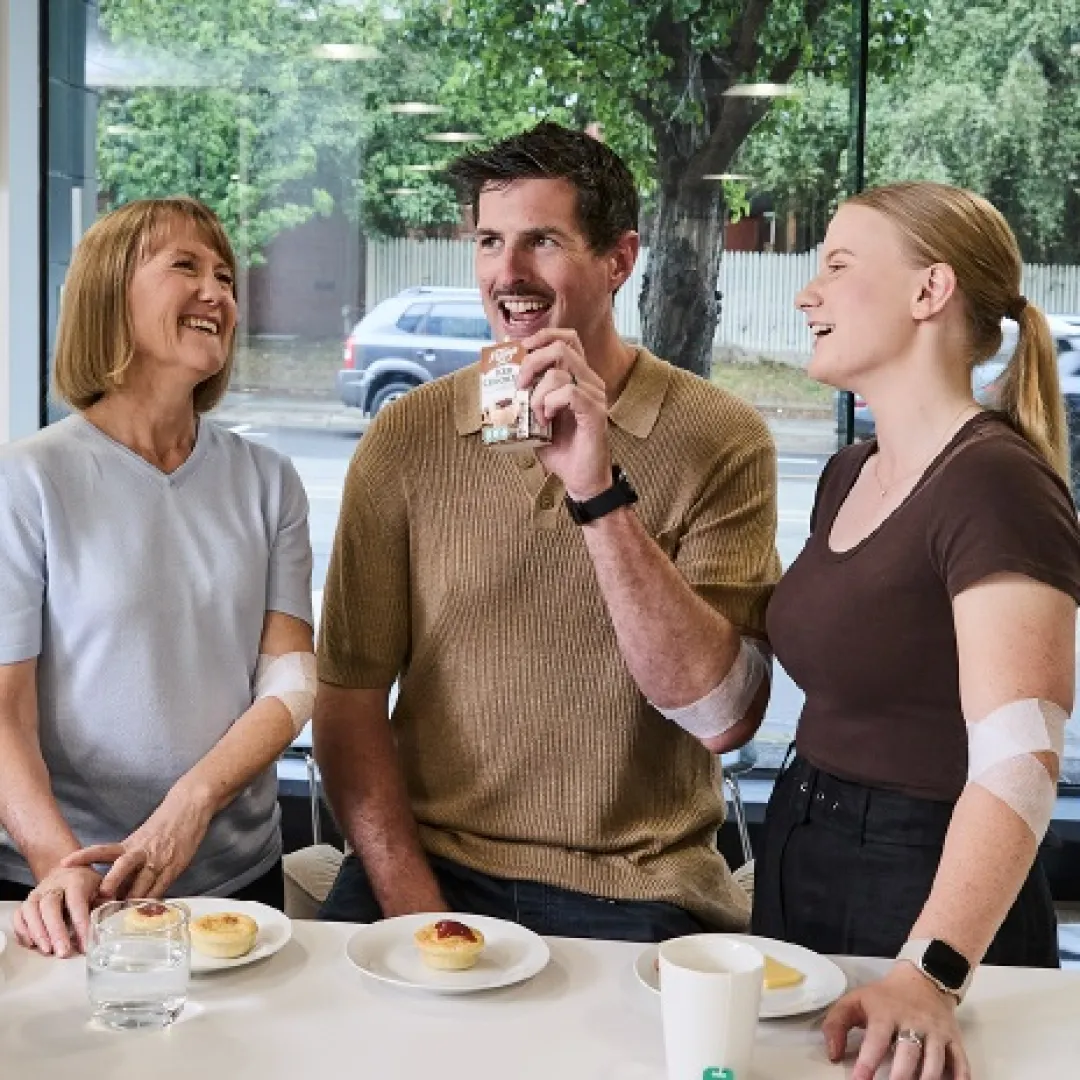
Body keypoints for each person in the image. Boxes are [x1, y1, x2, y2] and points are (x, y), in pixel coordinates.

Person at [314, 122, 781, 941]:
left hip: (633, 884)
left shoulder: (720, 437)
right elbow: (348, 699)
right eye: (490, 240)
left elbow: (722, 717)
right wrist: (418, 911)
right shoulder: (407, 438)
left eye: (542, 241)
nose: (507, 273)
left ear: (619, 260)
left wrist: (596, 491)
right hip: (429, 866)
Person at [754, 181, 1080, 1080]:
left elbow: (1021, 761)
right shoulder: (848, 472)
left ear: (929, 291)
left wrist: (933, 970)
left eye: (838, 265)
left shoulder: (996, 485)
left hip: (922, 877)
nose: (806, 292)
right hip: (801, 839)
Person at [0, 197, 315, 957]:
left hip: (235, 880)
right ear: (111, 291)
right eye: (185, 266)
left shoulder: (269, 481)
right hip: (61, 889)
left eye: (225, 276)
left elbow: (293, 681)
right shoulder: (28, 480)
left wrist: (192, 803)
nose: (218, 292)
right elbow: (4, 713)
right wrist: (57, 867)